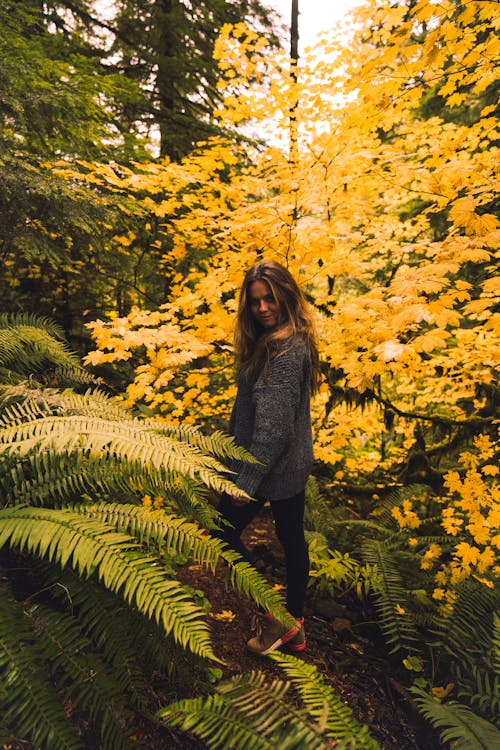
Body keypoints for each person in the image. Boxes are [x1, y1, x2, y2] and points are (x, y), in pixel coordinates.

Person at [217, 259, 320, 656]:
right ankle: (295, 623)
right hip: (292, 463)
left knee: (223, 533)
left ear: (286, 296)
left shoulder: (283, 350)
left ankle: (277, 616)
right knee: (292, 538)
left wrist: (244, 483)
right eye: (255, 301)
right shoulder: (291, 338)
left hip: (270, 465)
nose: (262, 308)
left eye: (270, 299)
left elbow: (272, 431)